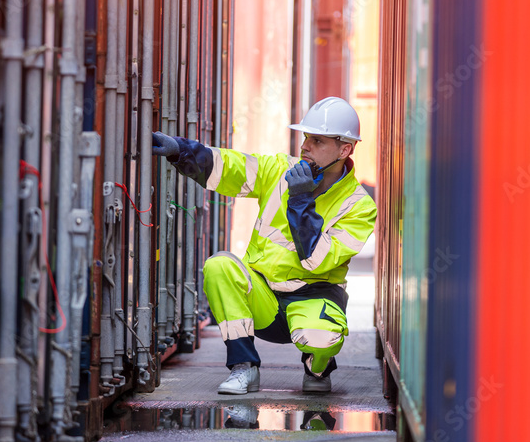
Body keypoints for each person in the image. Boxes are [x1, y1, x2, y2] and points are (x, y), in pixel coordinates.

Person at [151, 96, 377, 395]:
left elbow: (316, 261)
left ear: (344, 149)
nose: (305, 146)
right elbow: (229, 167)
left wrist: (300, 200)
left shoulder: (359, 206)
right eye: (306, 137)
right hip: (263, 297)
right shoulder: (280, 170)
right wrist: (180, 151)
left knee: (320, 339)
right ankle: (243, 368)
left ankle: (317, 367)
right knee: (219, 265)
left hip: (313, 297)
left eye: (318, 140)